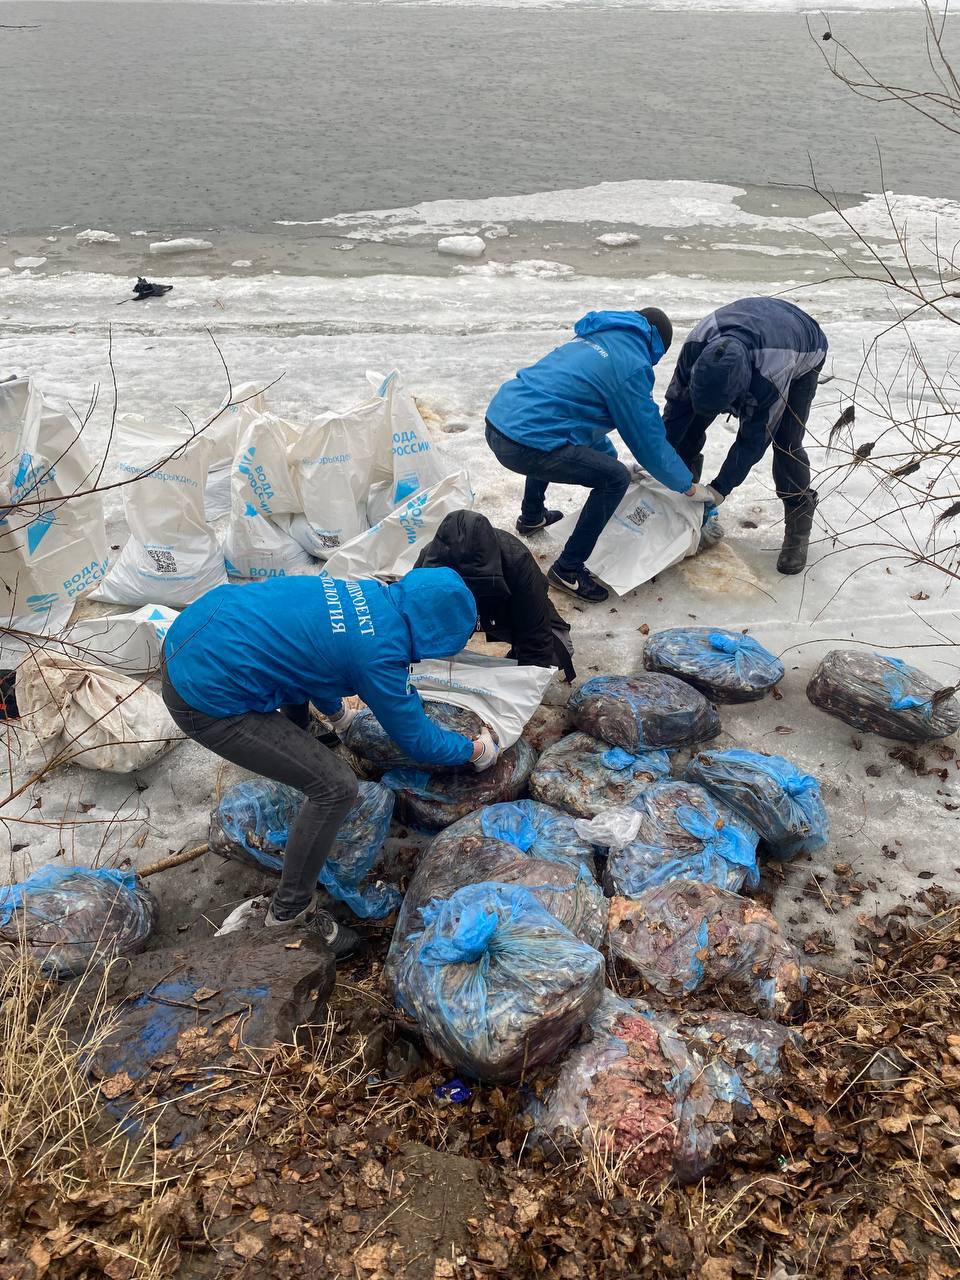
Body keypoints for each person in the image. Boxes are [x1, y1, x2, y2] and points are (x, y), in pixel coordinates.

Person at [160, 568, 499, 958]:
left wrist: (337, 715)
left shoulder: (367, 593)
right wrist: (474, 750)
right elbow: (418, 739)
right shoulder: (381, 655)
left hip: (197, 631)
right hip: (204, 697)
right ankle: (289, 914)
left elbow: (316, 655)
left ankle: (297, 769)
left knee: (294, 682)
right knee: (336, 787)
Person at [484, 308, 712, 604]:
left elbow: (573, 416)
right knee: (614, 480)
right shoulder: (631, 365)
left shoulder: (594, 339)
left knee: (552, 435)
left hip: (499, 419)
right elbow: (649, 441)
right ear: (657, 344)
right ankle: (568, 569)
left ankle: (531, 517)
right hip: (522, 445)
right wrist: (687, 485)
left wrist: (612, 458)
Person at [662, 297, 828, 575]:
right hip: (752, 330)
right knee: (686, 427)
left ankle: (799, 521)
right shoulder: (695, 348)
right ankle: (683, 510)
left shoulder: (770, 375)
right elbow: (675, 412)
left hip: (801, 346)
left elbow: (754, 440)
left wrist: (719, 490)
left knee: (786, 442)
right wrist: (660, 466)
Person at [415, 509, 576, 681]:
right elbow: (413, 619)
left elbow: (536, 640)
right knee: (426, 648)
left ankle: (513, 660)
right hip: (453, 615)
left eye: (474, 583)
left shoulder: (517, 561)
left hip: (502, 612)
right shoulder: (428, 561)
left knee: (556, 653)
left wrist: (521, 687)